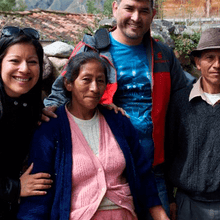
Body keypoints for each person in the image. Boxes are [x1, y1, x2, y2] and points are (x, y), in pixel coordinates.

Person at [42, 0, 195, 217]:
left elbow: (182, 99)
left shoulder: (162, 54)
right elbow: (58, 95)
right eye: (129, 8)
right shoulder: (91, 50)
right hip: (107, 173)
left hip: (153, 170)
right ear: (115, 8)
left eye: (143, 11)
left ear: (153, 14)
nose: (136, 17)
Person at [17, 51, 169, 220]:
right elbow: (39, 190)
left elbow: (143, 172)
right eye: (86, 79)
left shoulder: (119, 122)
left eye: (100, 81)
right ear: (68, 83)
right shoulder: (51, 128)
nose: (95, 88)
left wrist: (160, 215)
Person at [165, 27, 220, 220]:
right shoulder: (180, 102)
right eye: (210, 57)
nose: (217, 65)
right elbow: (168, 151)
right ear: (197, 62)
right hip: (187, 203)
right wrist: (168, 198)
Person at [0, 26, 52, 220]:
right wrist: (16, 187)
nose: (24, 69)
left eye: (32, 62)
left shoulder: (29, 106)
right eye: (14, 60)